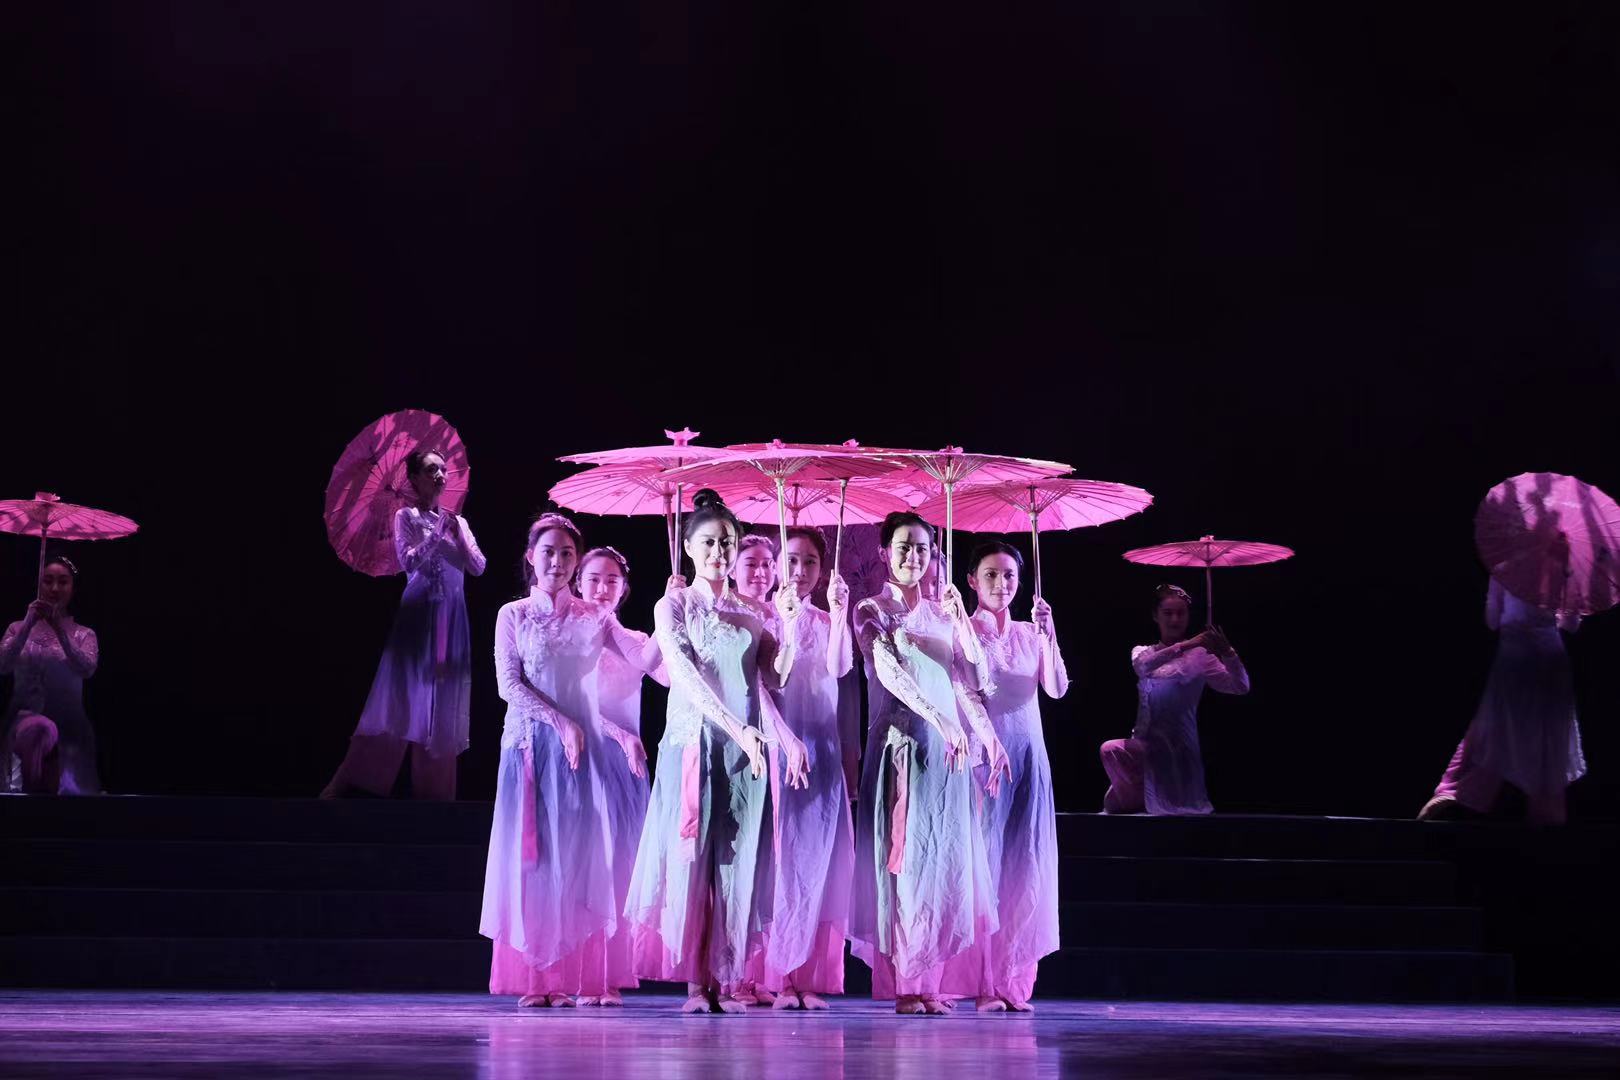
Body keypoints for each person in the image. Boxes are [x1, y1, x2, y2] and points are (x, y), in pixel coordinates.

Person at [623, 490, 809, 1015]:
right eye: (708, 542)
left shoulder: (752, 610)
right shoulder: (673, 605)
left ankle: (726, 978)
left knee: (736, 860)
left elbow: (776, 677)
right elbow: (683, 674)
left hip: (746, 751)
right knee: (694, 859)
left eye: (727, 543)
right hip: (694, 744)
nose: (719, 553)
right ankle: (695, 984)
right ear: (688, 547)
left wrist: (791, 624)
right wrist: (734, 726)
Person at [482, 516, 665, 1007]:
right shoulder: (513, 614)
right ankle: (540, 980)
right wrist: (560, 722)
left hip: (583, 759)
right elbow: (508, 684)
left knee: (585, 860)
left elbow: (646, 660)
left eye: (567, 553)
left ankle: (584, 976)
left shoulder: (596, 617)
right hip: (531, 749)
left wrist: (670, 609)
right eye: (549, 551)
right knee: (536, 860)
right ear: (531, 557)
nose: (558, 562)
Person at [850, 511, 1010, 1015]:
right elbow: (888, 671)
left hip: (948, 756)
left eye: (922, 548)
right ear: (884, 553)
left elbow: (977, 682)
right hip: (902, 748)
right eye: (903, 546)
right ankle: (906, 984)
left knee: (943, 865)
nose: (913, 556)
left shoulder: (944, 612)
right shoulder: (871, 609)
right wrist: (938, 719)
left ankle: (930, 983)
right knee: (907, 863)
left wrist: (963, 623)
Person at [323, 448, 486, 799]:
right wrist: (436, 533)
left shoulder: (459, 522)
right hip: (419, 614)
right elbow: (408, 562)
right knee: (401, 696)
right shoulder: (406, 516)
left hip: (451, 617)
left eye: (443, 469)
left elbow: (478, 567)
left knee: (441, 700)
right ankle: (357, 781)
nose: (440, 475)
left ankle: (435, 793)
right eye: (431, 470)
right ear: (414, 478)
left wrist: (456, 534)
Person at [965, 541, 1069, 1010]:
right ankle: (984, 982)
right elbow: (970, 691)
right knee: (988, 864)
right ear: (972, 581)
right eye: (990, 574)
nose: (1001, 584)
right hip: (987, 759)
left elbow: (1056, 689)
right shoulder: (965, 630)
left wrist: (1049, 633)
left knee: (1026, 865)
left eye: (1009, 575)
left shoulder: (1030, 632)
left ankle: (1013, 980)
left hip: (1030, 759)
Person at [762, 527, 855, 1010]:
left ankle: (809, 975)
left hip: (822, 747)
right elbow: (766, 682)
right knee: (780, 859)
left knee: (818, 860)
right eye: (792, 560)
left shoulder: (827, 617)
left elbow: (840, 668)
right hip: (779, 744)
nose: (800, 572)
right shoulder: (766, 615)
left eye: (810, 563)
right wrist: (785, 622)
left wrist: (839, 615)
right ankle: (776, 975)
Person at [1419, 578, 1585, 824]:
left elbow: (1492, 620)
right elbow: (1571, 626)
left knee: (1493, 731)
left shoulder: (1505, 567)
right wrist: (1555, 613)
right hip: (1551, 660)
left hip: (1515, 655)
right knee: (1547, 740)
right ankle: (1546, 816)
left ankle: (1457, 790)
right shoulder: (1563, 568)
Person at [1100, 584, 1248, 815]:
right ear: (1155, 615)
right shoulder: (1143, 652)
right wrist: (1190, 643)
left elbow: (1240, 686)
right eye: (1168, 613)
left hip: (1177, 747)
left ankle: (1145, 801)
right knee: (1111, 751)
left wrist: (1227, 652)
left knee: (1125, 806)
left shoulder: (1201, 657)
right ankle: (1142, 798)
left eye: (1181, 613)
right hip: (1145, 745)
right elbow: (1143, 667)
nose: (1175, 619)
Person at [1, 556, 101, 794]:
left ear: (73, 588)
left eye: (63, 582)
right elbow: (3, 665)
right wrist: (28, 623)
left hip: (70, 730)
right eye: (47, 581)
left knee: (69, 803)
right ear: (38, 583)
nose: (55, 588)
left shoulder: (84, 634)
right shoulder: (16, 628)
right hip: (22, 727)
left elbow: (87, 669)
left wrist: (60, 630)